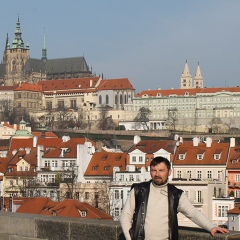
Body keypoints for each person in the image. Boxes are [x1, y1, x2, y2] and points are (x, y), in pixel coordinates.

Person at [120, 156, 229, 240]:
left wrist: (211, 227)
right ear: (150, 171)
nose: (157, 174)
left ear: (169, 172)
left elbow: (193, 213)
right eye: (154, 170)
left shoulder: (175, 194)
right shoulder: (139, 190)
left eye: (161, 170)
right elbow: (125, 217)